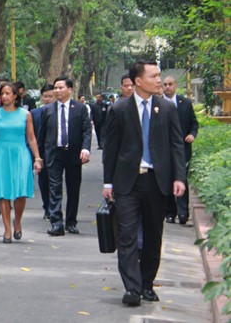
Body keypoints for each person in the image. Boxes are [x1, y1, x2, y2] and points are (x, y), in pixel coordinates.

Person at [102, 60, 186, 307]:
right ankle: (132, 288)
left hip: (157, 181)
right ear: (138, 80)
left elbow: (176, 145)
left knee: (152, 235)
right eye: (153, 75)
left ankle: (147, 284)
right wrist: (108, 183)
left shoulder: (167, 109)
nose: (158, 80)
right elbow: (111, 149)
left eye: (159, 75)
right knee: (127, 235)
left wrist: (179, 177)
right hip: (127, 182)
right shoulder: (119, 109)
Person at [0, 82, 42, 243]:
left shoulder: (25, 114)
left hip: (20, 154)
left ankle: (17, 221)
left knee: (20, 193)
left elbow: (31, 137)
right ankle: (7, 228)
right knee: (3, 192)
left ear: (15, 96)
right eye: (3, 94)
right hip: (1, 155)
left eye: (8, 93)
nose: (5, 96)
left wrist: (37, 157)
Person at [37, 76, 91, 236]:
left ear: (70, 89)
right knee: (54, 188)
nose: (57, 90)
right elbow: (42, 135)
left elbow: (86, 131)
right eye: (56, 88)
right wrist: (38, 157)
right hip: (54, 154)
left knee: (73, 188)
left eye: (61, 87)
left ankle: (71, 221)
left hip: (74, 154)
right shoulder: (47, 110)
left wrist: (85, 149)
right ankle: (56, 222)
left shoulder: (80, 108)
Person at [162, 76, 198, 225]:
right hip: (164, 150)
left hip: (183, 148)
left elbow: (194, 123)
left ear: (175, 85)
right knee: (169, 181)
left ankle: (183, 212)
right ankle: (170, 212)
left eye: (170, 84)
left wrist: (192, 134)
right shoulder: (158, 104)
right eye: (165, 85)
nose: (167, 87)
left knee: (181, 178)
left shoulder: (186, 103)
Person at [30, 84, 55, 220]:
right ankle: (47, 207)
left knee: (55, 182)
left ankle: (54, 207)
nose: (47, 99)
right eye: (45, 96)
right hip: (40, 153)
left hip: (55, 152)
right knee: (43, 181)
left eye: (50, 96)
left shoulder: (58, 111)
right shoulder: (34, 113)